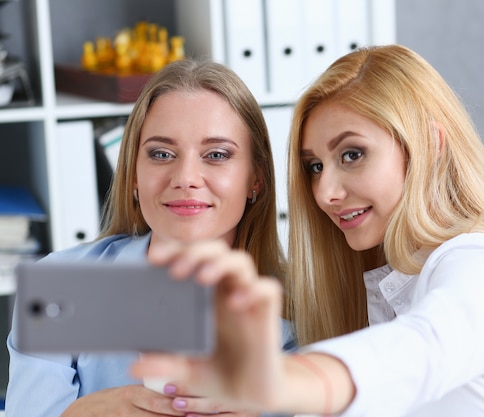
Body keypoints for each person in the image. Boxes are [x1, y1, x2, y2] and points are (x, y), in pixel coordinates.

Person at [130, 44, 484, 417]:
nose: (325, 192)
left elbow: (421, 351)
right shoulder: (384, 286)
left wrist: (278, 381)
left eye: (352, 154)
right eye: (314, 166)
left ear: (430, 145)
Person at [6, 59, 295, 417]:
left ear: (257, 179)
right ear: (134, 176)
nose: (186, 177)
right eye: (162, 154)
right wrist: (83, 413)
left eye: (216, 155)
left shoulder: (296, 307)